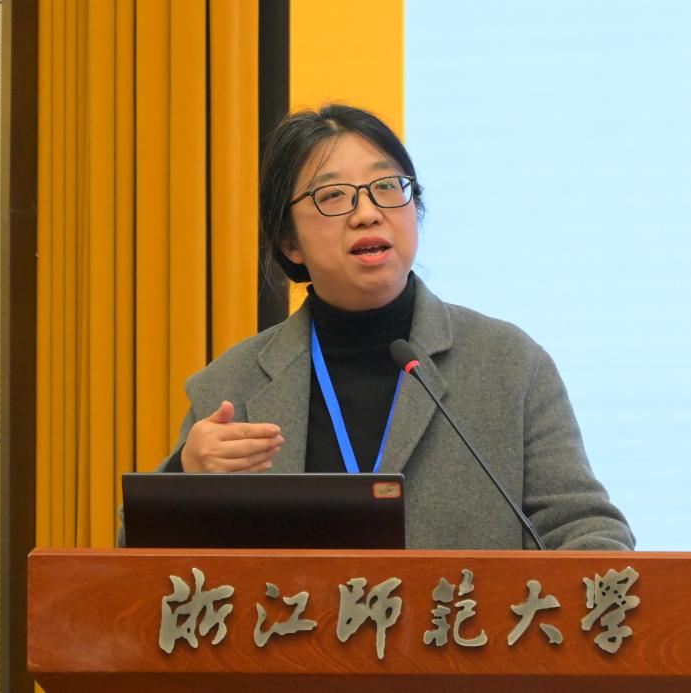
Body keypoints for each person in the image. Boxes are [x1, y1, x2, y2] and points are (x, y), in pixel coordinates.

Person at [124, 104, 634, 551]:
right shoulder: (232, 388)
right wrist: (185, 479)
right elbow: (138, 570)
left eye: (387, 187)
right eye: (333, 196)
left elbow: (585, 529)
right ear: (289, 243)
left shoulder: (509, 365)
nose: (367, 213)